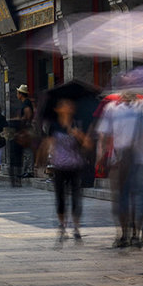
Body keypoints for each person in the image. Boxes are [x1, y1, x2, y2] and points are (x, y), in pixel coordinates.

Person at [96, 91, 143, 248]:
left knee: (134, 197)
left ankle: (133, 232)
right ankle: (130, 233)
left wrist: (100, 158)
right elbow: (104, 136)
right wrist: (101, 156)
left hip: (134, 160)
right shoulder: (114, 108)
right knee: (129, 197)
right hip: (123, 160)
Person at [41, 98, 91, 243]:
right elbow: (49, 144)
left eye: (69, 105)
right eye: (63, 105)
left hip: (75, 166)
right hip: (59, 166)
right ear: (57, 109)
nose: (67, 107)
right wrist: (45, 159)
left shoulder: (77, 124)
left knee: (76, 198)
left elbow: (87, 144)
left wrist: (77, 134)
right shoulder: (54, 126)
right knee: (61, 199)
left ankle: (76, 228)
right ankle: (62, 227)